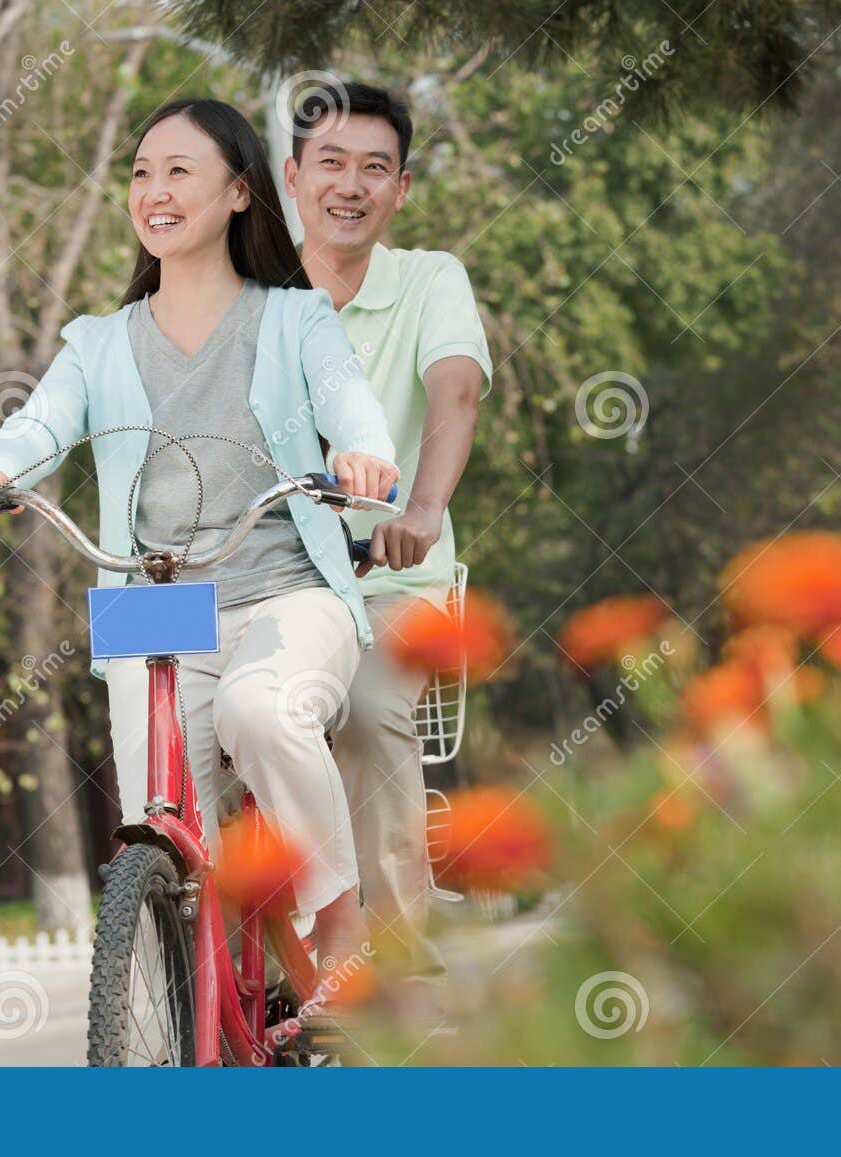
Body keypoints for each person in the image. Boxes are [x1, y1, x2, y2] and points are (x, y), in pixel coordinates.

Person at [0, 98, 399, 1006]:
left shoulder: (294, 318)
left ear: (239, 192)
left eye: (179, 171)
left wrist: (363, 452)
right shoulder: (100, 341)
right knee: (160, 825)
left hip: (287, 592)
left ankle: (339, 914)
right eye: (141, 172)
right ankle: (197, 1018)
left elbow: (347, 397)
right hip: (150, 604)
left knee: (260, 712)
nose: (154, 191)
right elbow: (41, 419)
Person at [283, 83, 491, 1012]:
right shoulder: (250, 294)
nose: (351, 185)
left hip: (386, 571)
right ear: (291, 177)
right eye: (331, 163)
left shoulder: (430, 279)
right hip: (274, 574)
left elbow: (454, 394)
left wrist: (425, 505)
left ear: (401, 189)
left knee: (368, 714)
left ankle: (398, 950)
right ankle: (231, 937)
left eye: (375, 168)